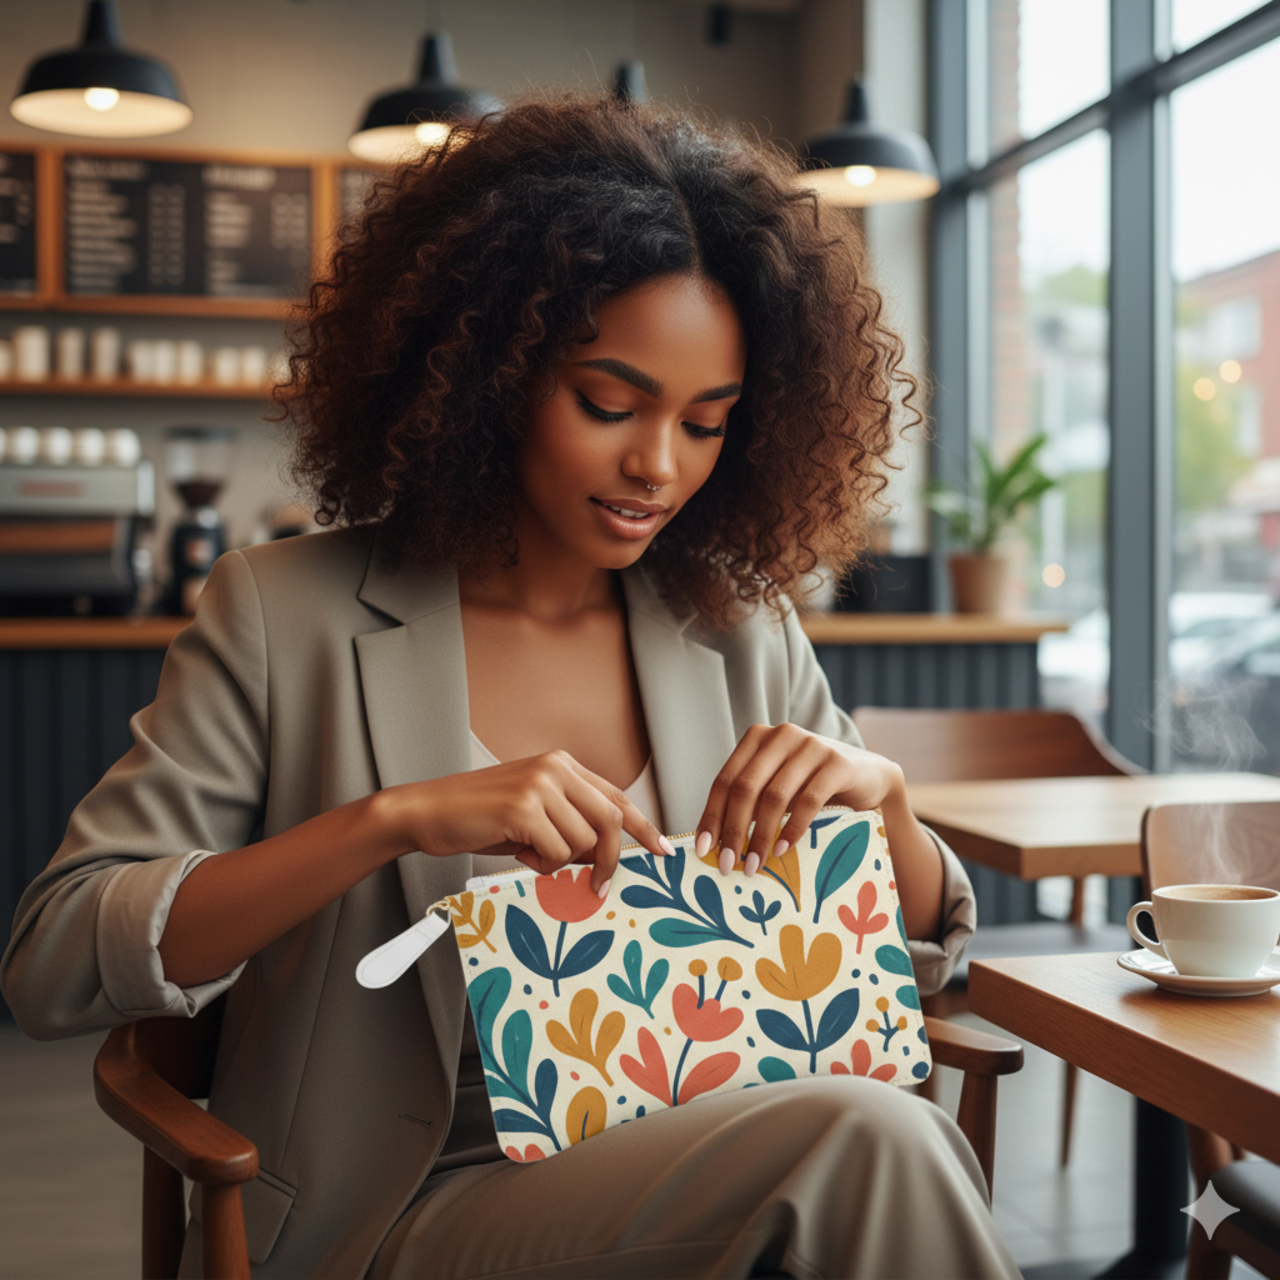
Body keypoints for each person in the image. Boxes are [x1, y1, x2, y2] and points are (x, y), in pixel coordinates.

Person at [2, 94, 1020, 1280]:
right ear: (487, 372)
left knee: (869, 1134)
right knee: (875, 1138)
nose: (656, 465)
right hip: (393, 1207)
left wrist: (884, 804)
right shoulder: (285, 612)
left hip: (704, 1159)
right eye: (608, 403)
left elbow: (918, 962)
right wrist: (393, 819)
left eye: (705, 423)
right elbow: (55, 956)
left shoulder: (740, 627)